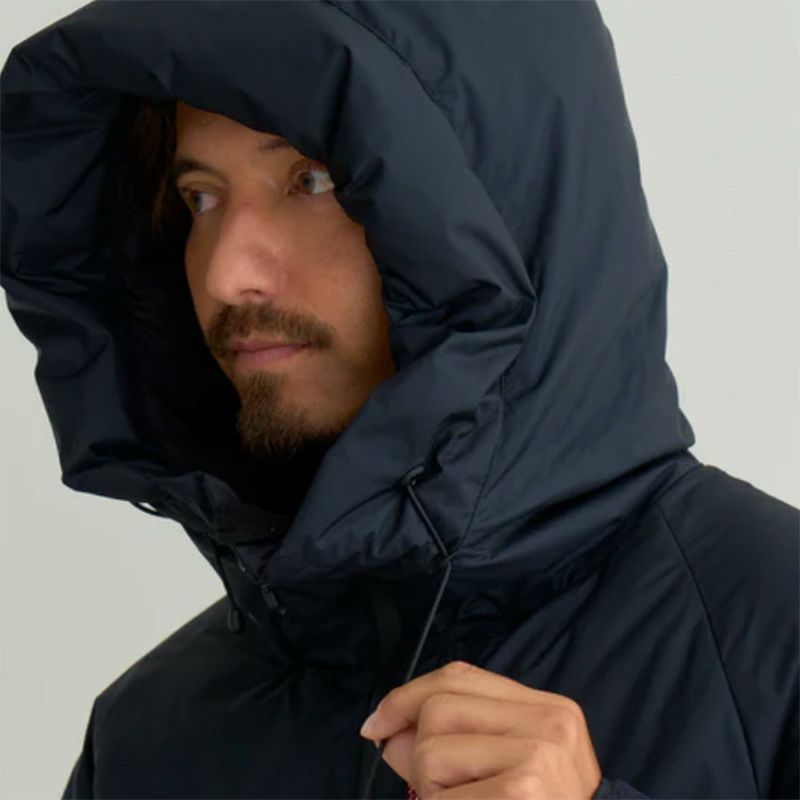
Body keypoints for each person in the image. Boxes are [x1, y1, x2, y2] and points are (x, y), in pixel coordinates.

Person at [0, 2, 796, 799]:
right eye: (201, 198)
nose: (225, 274)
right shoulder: (148, 742)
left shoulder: (777, 634)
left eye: (313, 181)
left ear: (506, 208)